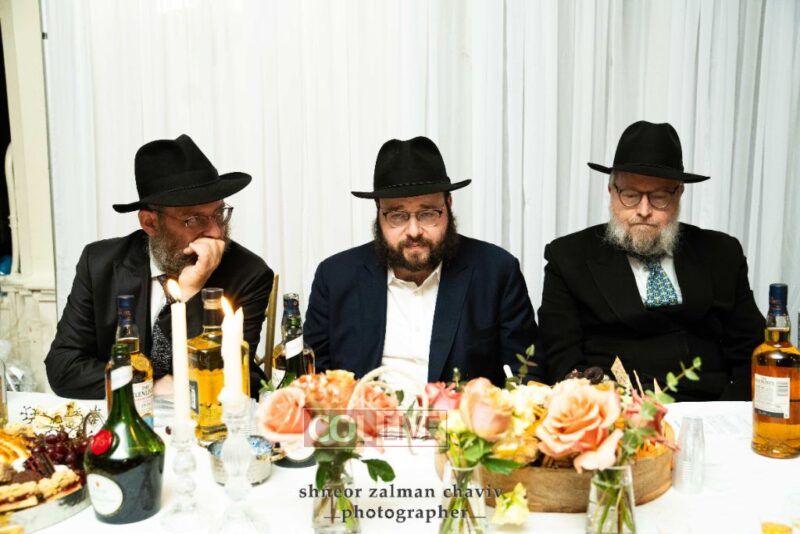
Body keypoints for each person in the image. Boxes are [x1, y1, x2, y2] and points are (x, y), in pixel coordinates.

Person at [538, 121, 764, 401]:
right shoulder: (569, 257)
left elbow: (751, 350)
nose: (644, 210)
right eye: (630, 195)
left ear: (678, 194)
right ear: (611, 192)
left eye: (658, 197)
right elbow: (562, 357)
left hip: (711, 405)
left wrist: (731, 410)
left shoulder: (722, 253)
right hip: (620, 408)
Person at [46, 134, 273, 399]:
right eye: (194, 219)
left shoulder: (249, 273)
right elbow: (64, 367)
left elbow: (226, 377)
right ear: (150, 223)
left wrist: (190, 294)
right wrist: (148, 386)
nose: (216, 232)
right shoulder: (100, 263)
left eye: (219, 213)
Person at [304, 136, 540, 388]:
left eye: (428, 214)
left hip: (459, 414)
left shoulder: (496, 272)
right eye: (397, 215)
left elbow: (527, 379)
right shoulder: (335, 277)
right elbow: (310, 380)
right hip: (364, 413)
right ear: (378, 211)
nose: (414, 231)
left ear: (448, 205)